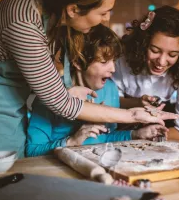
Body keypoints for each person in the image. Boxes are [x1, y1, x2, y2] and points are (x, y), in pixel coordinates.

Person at [0, 0, 177, 157]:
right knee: (1, 169)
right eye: (103, 13)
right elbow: (60, 102)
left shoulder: (53, 14)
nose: (105, 19)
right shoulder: (24, 23)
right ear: (73, 9)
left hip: (12, 101)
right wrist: (133, 114)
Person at [26, 25, 168, 157]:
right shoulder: (52, 91)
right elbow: (32, 151)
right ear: (78, 61)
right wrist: (71, 141)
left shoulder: (110, 89)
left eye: (114, 61)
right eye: (104, 62)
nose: (113, 69)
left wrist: (136, 134)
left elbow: (106, 137)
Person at [114, 5, 179, 141]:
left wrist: (150, 135)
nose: (162, 62)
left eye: (172, 54)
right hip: (117, 134)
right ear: (143, 44)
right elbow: (108, 103)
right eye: (155, 50)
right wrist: (136, 103)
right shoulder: (121, 61)